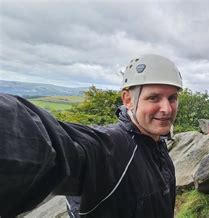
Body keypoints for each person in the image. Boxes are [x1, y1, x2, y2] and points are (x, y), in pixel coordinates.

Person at [0, 54, 181, 217]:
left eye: (172, 98)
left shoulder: (157, 145)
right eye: (153, 98)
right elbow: (49, 143)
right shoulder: (109, 148)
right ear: (128, 100)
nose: (166, 109)